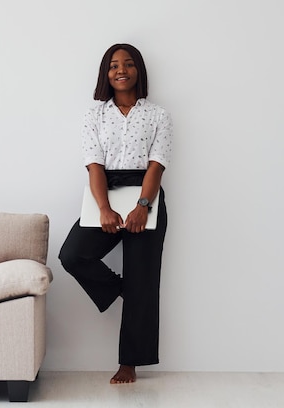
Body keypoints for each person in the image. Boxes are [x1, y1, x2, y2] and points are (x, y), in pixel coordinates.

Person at [59, 43, 173, 384]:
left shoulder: (159, 116)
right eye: (112, 65)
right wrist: (104, 209)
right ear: (105, 74)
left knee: (146, 278)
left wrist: (143, 207)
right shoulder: (93, 115)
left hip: (145, 197)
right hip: (104, 193)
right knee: (73, 255)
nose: (120, 70)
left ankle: (129, 364)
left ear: (138, 70)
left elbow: (157, 166)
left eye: (127, 64)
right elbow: (94, 166)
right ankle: (124, 289)